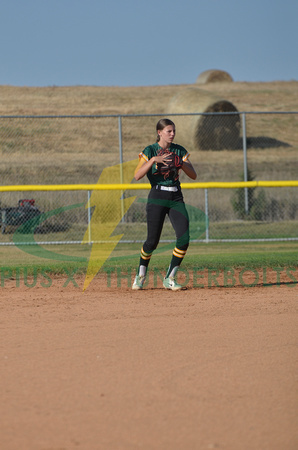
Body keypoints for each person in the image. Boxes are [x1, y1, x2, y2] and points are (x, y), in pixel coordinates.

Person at [132, 118, 197, 291]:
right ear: (159, 133)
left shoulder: (179, 150)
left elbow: (193, 175)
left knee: (184, 238)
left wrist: (181, 163)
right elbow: (137, 175)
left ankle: (170, 278)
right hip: (157, 195)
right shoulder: (150, 150)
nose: (172, 134)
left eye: (174, 131)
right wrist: (153, 160)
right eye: (169, 131)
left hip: (176, 196)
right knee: (152, 242)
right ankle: (140, 275)